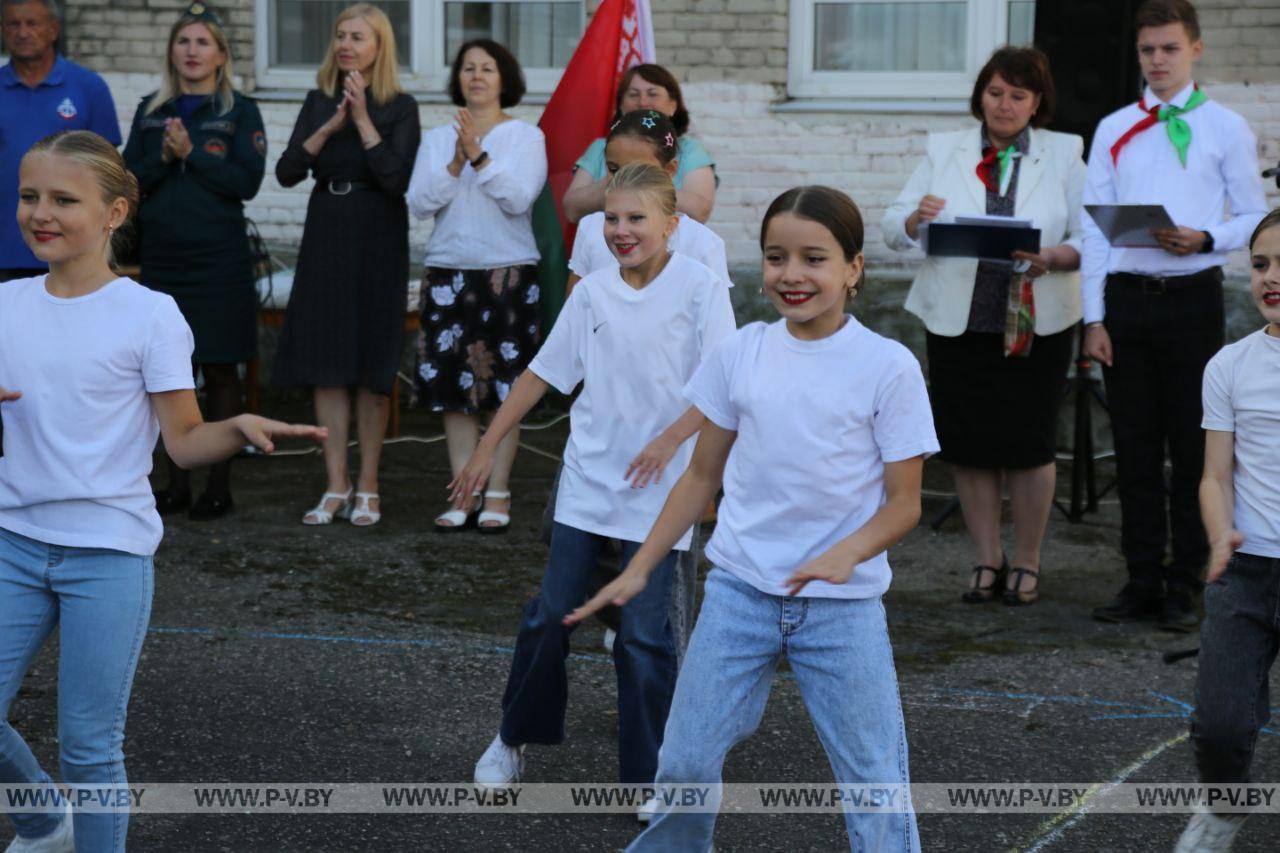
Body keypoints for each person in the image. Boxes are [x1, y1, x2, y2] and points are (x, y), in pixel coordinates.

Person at [568, 186, 936, 851]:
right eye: (776, 257)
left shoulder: (889, 366)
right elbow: (701, 475)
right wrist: (642, 566)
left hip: (842, 606)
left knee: (874, 778)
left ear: (854, 268)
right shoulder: (740, 353)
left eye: (814, 258)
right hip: (738, 593)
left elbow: (905, 502)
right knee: (681, 763)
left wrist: (846, 552)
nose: (792, 274)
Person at [0, 130, 321, 853]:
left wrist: (234, 425)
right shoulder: (6, 306)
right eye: (29, 196)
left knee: (89, 743)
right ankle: (43, 820)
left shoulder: (149, 314)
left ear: (115, 214)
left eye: (62, 199)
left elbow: (183, 440)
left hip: (106, 554)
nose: (40, 213)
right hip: (12, 543)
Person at [452, 163, 735, 801]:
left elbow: (725, 385)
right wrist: (486, 448)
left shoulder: (700, 286)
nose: (621, 230)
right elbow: (539, 375)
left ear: (672, 223)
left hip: (663, 494)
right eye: (611, 218)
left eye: (636, 218)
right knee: (551, 617)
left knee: (642, 637)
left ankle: (650, 777)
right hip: (588, 486)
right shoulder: (593, 293)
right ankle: (512, 738)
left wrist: (669, 441)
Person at [1081, 0, 1267, 630]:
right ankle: (1140, 576)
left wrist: (1204, 238)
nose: (1157, 61)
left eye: (1168, 48)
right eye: (1146, 50)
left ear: (1195, 50)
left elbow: (1252, 217)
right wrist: (1094, 318)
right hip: (1128, 301)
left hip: (1192, 299)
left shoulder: (1226, 127)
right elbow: (1095, 230)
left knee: (1195, 446)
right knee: (1132, 445)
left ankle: (1189, 580)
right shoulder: (1113, 128)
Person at [883, 46, 1086, 606]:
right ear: (980, 95)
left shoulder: (1066, 153)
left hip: (1037, 320)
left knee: (1031, 444)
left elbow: (1090, 233)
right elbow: (891, 227)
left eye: (1018, 95)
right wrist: (911, 219)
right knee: (969, 445)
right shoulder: (943, 149)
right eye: (995, 92)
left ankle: (1027, 560)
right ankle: (985, 558)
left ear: (1037, 102)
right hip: (960, 319)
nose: (1004, 104)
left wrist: (1059, 256)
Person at [272, 2, 420, 527]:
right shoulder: (317, 101)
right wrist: (331, 124)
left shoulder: (400, 106)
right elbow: (288, 171)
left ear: (379, 47)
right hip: (327, 229)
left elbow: (395, 179)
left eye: (357, 36)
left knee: (370, 365)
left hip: (378, 233)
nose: (345, 44)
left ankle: (370, 485)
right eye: (339, 35)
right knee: (328, 362)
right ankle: (336, 483)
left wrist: (360, 119)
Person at [123, 2, 266, 520]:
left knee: (222, 369)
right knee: (168, 373)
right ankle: (174, 483)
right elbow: (127, 182)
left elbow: (245, 183)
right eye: (184, 41)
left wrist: (193, 155)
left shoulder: (239, 110)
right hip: (165, 261)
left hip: (219, 260)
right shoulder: (151, 108)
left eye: (203, 42)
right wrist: (164, 156)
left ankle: (219, 485)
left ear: (221, 55)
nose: (191, 51)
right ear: (172, 52)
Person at [406, 39, 546, 534]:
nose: (477, 76)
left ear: (504, 78)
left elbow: (518, 198)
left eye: (487, 68)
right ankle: (463, 492)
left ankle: (499, 491)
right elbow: (419, 203)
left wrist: (480, 158)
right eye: (468, 68)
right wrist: (455, 163)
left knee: (506, 389)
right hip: (449, 271)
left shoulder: (526, 137)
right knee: (453, 390)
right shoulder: (436, 137)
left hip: (507, 272)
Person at [1174, 209, 1280, 853]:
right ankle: (1224, 805)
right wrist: (1219, 535)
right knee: (1218, 725)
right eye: (1261, 264)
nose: (1271, 277)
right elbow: (1214, 476)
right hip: (1244, 574)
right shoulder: (1230, 365)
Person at [0, 0, 120, 282]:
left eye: (32, 23)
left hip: (74, 251)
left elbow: (108, 175)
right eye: (13, 24)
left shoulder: (89, 88)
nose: (22, 32)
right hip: (4, 250)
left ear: (54, 29)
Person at [568, 109, 730, 293]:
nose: (625, 179)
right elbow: (574, 309)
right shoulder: (590, 227)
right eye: (614, 169)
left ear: (669, 169)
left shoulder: (702, 243)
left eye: (639, 170)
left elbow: (715, 315)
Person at [562, 63, 716, 224]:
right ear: (621, 106)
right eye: (633, 94)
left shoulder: (690, 150)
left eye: (653, 94)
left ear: (673, 105)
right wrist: (616, 178)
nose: (643, 102)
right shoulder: (600, 147)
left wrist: (644, 178)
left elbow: (699, 211)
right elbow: (571, 210)